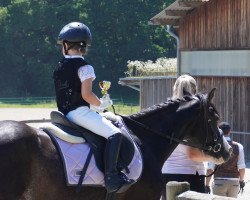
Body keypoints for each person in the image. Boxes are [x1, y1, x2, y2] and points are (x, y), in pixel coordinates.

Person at [53, 22, 133, 193]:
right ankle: (111, 177)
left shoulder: (59, 66)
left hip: (63, 113)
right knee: (115, 134)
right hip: (79, 113)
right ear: (83, 46)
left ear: (66, 46)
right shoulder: (85, 67)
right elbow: (87, 95)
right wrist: (101, 104)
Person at [161, 74, 209, 200]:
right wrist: (215, 158)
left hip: (166, 173)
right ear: (194, 89)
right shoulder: (193, 114)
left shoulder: (166, 112)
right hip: (190, 174)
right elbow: (193, 154)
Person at [205, 122, 246, 198]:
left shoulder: (215, 147)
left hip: (219, 182)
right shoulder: (239, 146)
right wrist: (241, 181)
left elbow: (210, 168)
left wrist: (207, 185)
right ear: (230, 131)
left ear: (218, 131)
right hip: (234, 183)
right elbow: (242, 167)